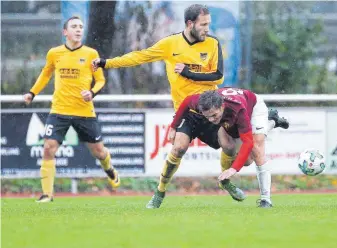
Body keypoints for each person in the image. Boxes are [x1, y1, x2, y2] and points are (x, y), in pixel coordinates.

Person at [91, 4, 246, 208]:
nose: (208, 28)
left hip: (211, 110)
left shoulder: (212, 43)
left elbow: (218, 75)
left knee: (228, 146)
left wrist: (188, 73)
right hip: (187, 112)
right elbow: (139, 56)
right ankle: (160, 192)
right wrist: (106, 63)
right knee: (178, 148)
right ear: (190, 24)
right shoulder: (170, 44)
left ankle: (225, 181)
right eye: (203, 24)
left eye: (208, 24)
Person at [23, 16, 120, 203]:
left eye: (81, 27)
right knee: (48, 149)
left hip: (84, 111)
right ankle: (47, 195)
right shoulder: (54, 53)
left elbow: (101, 80)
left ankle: (109, 169)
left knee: (99, 152)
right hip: (59, 110)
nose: (78, 29)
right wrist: (31, 93)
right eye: (74, 26)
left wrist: (91, 93)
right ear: (65, 32)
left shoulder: (91, 54)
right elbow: (45, 74)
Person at [171, 87, 289, 208]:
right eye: (207, 116)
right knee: (247, 161)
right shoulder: (203, 104)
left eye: (214, 115)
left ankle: (266, 200)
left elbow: (248, 143)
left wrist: (233, 169)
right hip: (232, 117)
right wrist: (173, 127)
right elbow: (186, 101)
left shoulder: (238, 110)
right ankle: (271, 122)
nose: (211, 120)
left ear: (222, 106)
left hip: (253, 109)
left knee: (256, 149)